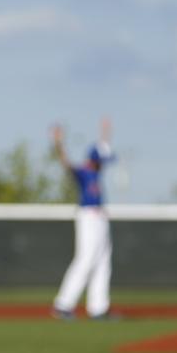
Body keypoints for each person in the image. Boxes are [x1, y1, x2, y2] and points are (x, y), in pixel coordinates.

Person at [51, 118, 116, 320]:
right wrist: (59, 142)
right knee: (86, 259)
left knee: (103, 261)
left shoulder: (96, 170)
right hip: (88, 216)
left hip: (100, 216)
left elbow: (102, 150)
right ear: (95, 161)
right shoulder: (85, 171)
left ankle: (99, 308)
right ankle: (63, 304)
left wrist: (104, 132)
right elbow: (66, 165)